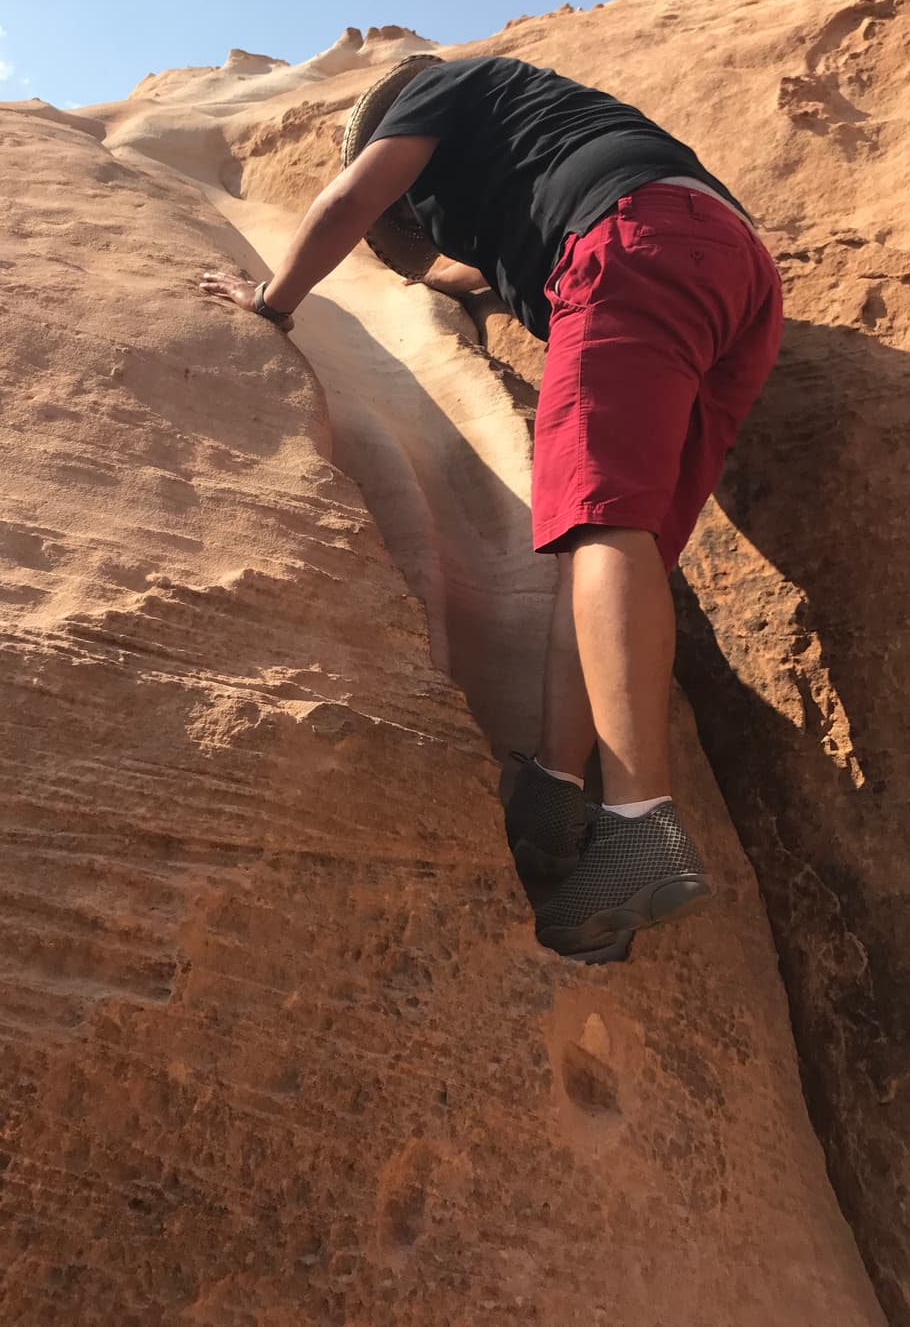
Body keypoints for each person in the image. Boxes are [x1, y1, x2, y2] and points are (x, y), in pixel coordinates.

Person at [201, 54, 783, 963]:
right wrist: (457, 295)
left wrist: (270, 304)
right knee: (611, 545)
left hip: (629, 245)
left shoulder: (441, 88)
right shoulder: (545, 140)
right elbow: (486, 274)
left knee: (598, 524)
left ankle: (637, 821)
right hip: (735, 275)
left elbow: (352, 200)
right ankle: (553, 798)